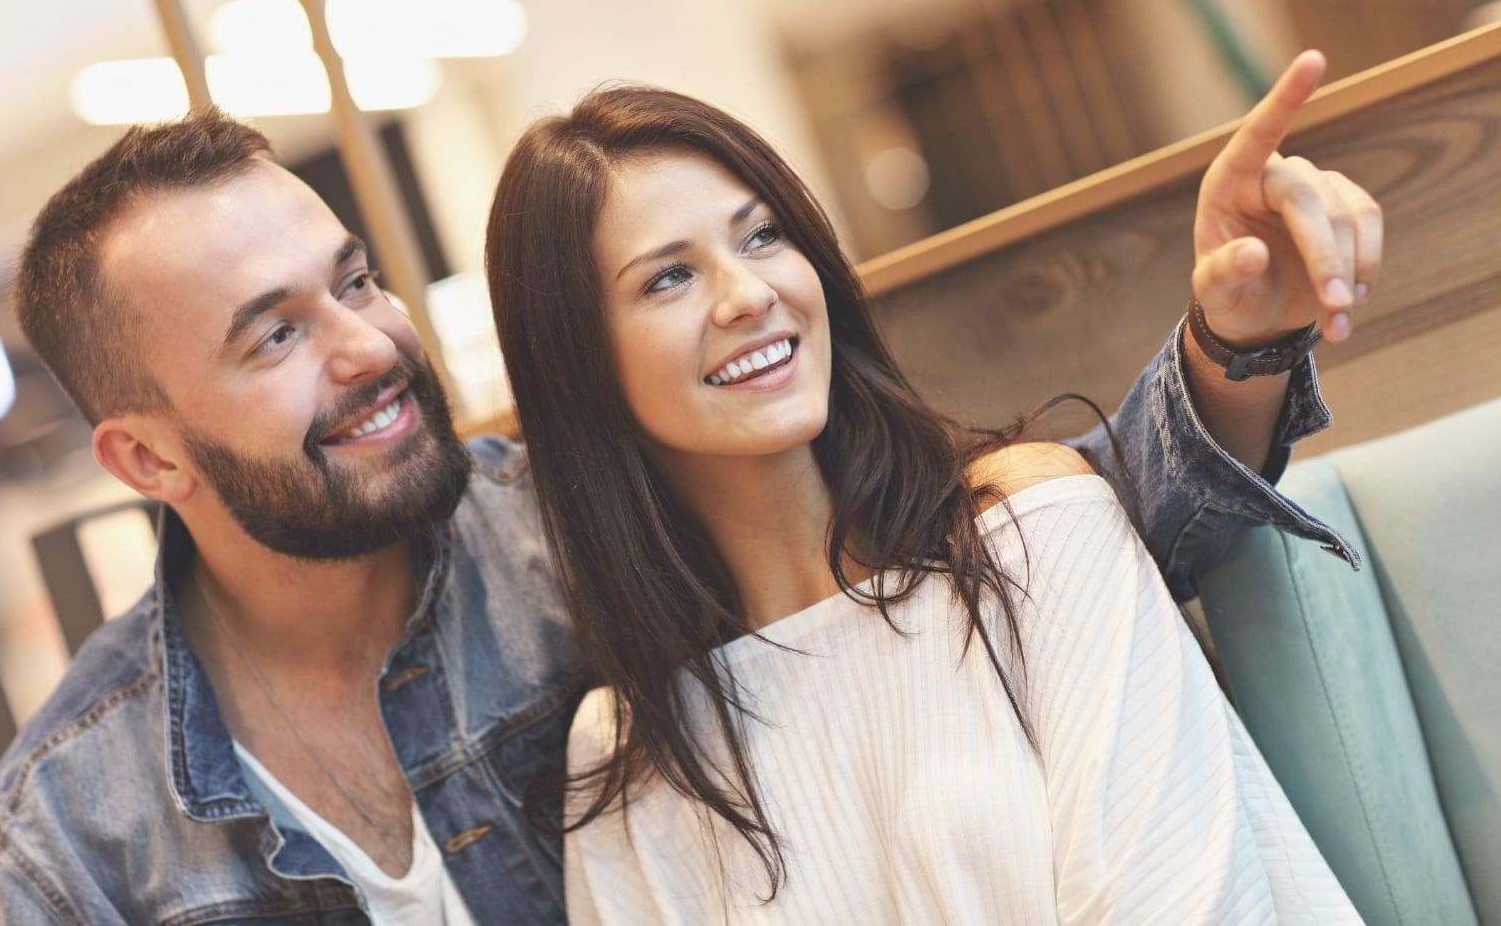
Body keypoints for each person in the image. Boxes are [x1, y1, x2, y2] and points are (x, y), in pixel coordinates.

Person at [0, 51, 1372, 923]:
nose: (366, 346)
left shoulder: (579, 528)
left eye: (358, 282)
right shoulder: (70, 838)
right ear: (146, 459)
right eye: (273, 334)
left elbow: (1026, 551)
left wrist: (1239, 338)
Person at [483, 59, 1369, 922]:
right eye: (668, 277)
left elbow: (1184, 896)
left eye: (762, 235)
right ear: (579, 367)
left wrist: (1244, 337)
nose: (748, 293)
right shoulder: (628, 752)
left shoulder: (1031, 536)